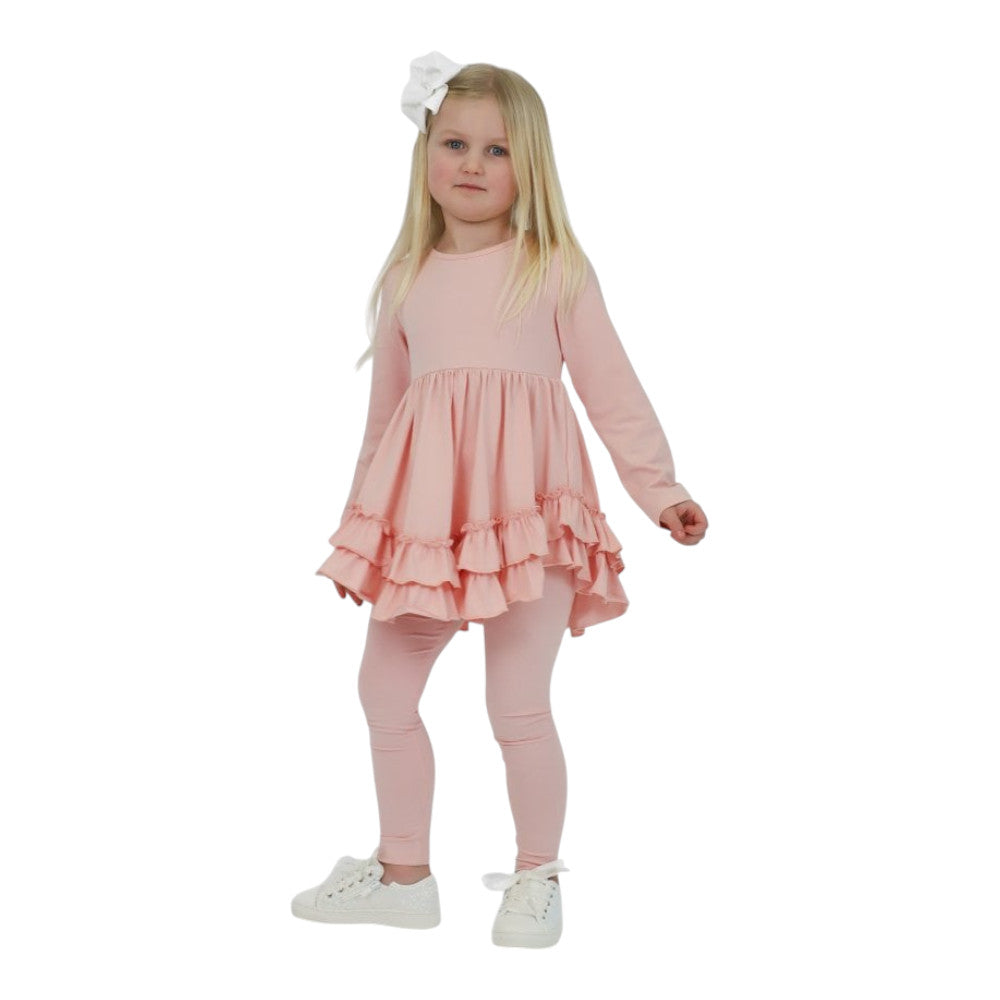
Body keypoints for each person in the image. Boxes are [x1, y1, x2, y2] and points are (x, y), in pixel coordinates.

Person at [291, 51, 709, 949]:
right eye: (454, 143)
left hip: (531, 524)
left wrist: (660, 490)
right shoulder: (406, 279)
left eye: (496, 149)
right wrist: (362, 540)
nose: (472, 165)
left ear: (531, 166)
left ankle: (535, 878)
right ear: (425, 153)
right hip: (426, 533)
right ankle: (404, 876)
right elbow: (384, 421)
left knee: (517, 706)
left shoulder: (552, 266)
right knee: (382, 690)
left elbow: (612, 392)